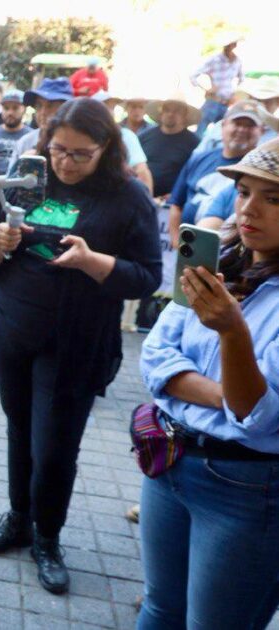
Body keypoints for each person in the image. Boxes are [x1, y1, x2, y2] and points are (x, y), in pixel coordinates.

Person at [0, 97, 161, 595]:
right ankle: (19, 519)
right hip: (12, 326)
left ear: (106, 149)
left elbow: (146, 278)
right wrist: (0, 243)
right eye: (58, 150)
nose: (66, 163)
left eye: (80, 154)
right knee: (20, 427)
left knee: (54, 445)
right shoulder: (30, 174)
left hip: (76, 341)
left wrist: (93, 261)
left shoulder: (128, 198)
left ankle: (47, 538)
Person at [137, 137, 279, 629]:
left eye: (273, 198)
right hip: (170, 460)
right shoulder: (218, 262)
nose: (248, 208)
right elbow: (155, 358)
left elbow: (257, 415)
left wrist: (232, 331)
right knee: (160, 608)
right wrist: (223, 395)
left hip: (246, 486)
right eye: (242, 192)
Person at [168, 100, 264, 246]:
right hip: (188, 249)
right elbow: (176, 203)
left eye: (250, 126)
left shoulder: (261, 171)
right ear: (223, 125)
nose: (242, 130)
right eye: (237, 123)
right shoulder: (200, 158)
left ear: (261, 131)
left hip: (233, 254)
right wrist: (176, 242)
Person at [140, 94, 202, 199]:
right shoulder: (145, 136)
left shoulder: (194, 143)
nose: (170, 114)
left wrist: (177, 195)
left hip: (172, 202)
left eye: (177, 111)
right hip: (142, 196)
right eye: (167, 110)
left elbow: (196, 174)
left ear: (185, 116)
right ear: (161, 113)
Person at [191, 34, 244, 137]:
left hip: (226, 103)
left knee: (222, 135)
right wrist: (206, 89)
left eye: (232, 44)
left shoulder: (237, 61)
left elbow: (242, 79)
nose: (230, 46)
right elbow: (193, 76)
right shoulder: (214, 59)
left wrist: (235, 94)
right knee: (200, 132)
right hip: (213, 101)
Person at [13, 78, 74, 158]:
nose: (43, 112)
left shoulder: (77, 142)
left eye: (50, 106)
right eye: (39, 105)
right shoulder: (25, 142)